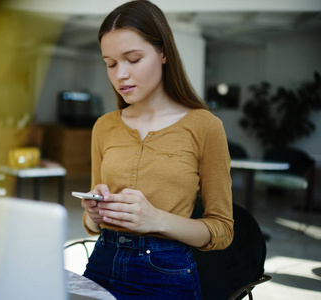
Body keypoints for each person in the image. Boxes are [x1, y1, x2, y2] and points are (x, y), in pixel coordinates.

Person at [80, 1, 234, 299]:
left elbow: (222, 230)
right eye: (110, 64)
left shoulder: (205, 126)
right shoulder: (104, 126)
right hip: (101, 263)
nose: (120, 74)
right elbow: (91, 222)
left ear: (163, 53)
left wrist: (157, 219)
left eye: (133, 59)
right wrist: (93, 216)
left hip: (165, 274)